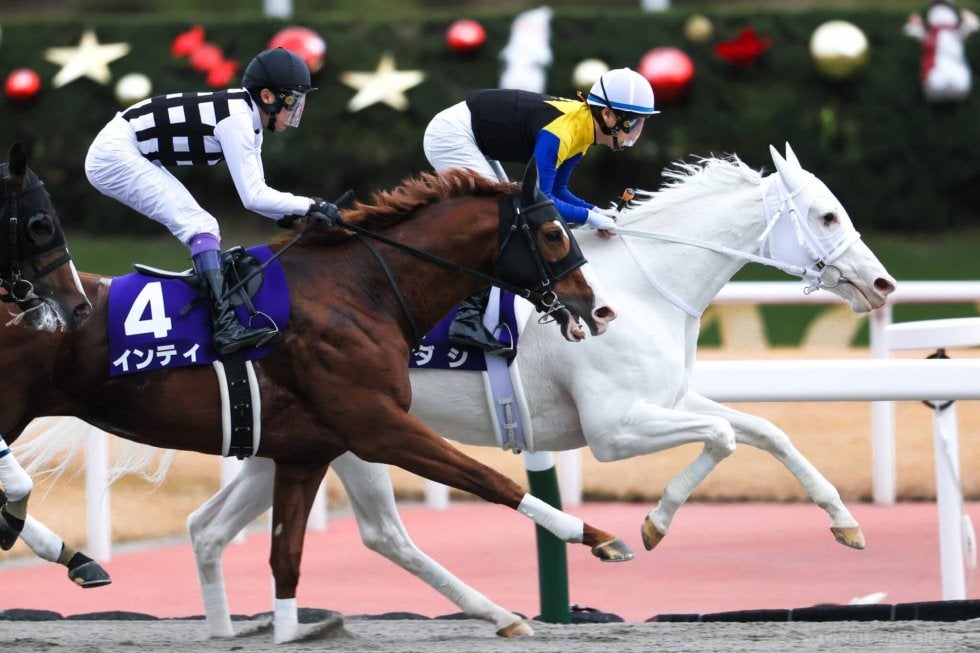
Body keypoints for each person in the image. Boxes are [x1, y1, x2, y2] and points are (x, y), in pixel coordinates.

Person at [85, 47, 340, 356]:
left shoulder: (248, 118)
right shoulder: (237, 122)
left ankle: (222, 319)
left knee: (202, 224)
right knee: (200, 225)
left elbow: (256, 194)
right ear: (268, 97)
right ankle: (224, 326)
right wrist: (310, 205)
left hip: (126, 147)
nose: (297, 109)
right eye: (293, 100)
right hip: (114, 155)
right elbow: (254, 196)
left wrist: (293, 212)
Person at [422, 67, 658, 354]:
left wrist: (596, 211)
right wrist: (590, 217)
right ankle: (466, 320)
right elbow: (539, 198)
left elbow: (558, 193)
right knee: (497, 216)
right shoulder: (562, 131)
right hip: (452, 134)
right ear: (608, 115)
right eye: (634, 121)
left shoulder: (584, 131)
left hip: (474, 137)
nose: (636, 131)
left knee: (507, 208)